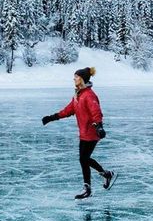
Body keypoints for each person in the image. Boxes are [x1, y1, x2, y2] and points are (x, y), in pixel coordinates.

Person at [42, 66, 116, 199]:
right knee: (84, 159)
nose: (74, 79)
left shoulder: (89, 95)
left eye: (76, 77)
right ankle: (106, 174)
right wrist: (52, 117)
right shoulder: (78, 95)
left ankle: (88, 188)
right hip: (84, 133)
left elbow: (96, 112)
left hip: (92, 133)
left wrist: (99, 127)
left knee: (83, 159)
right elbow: (68, 110)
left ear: (82, 79)